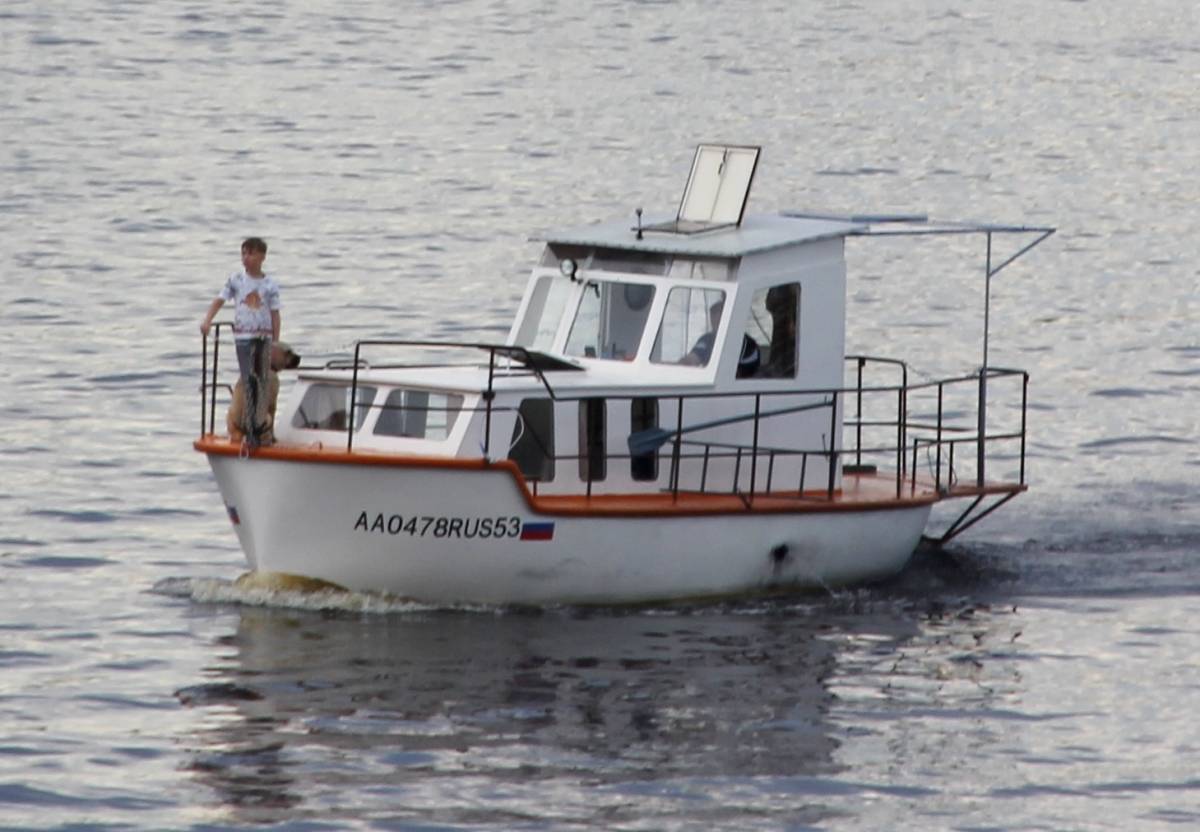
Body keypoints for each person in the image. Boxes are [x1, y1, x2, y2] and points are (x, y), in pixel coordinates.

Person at [200, 237, 281, 446]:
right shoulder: (236, 280)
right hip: (243, 338)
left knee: (262, 381)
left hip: (263, 337)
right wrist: (208, 320)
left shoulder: (270, 284)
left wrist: (275, 342)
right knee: (249, 380)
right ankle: (250, 427)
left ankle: (260, 427)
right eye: (243, 254)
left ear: (262, 257)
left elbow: (275, 314)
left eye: (251, 254)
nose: (246, 258)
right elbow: (220, 299)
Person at [226, 341, 301, 444]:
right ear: (274, 354)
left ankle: (237, 435)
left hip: (233, 423)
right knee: (267, 417)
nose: (287, 359)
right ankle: (262, 438)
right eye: (286, 354)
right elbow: (271, 408)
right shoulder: (272, 378)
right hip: (251, 423)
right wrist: (271, 435)